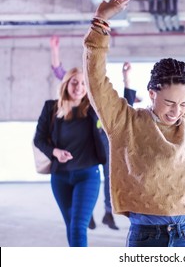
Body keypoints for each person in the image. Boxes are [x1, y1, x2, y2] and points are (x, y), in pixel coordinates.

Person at [83, 0, 185, 247]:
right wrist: (100, 24)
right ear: (152, 94)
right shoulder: (125, 122)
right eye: (169, 102)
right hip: (145, 235)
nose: (176, 111)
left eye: (183, 103)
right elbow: (96, 81)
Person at [49, 36, 138, 230]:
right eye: (78, 84)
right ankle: (86, 213)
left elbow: (126, 105)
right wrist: (55, 50)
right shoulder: (80, 95)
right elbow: (60, 73)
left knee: (109, 179)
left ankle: (108, 212)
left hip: (105, 144)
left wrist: (127, 78)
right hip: (88, 146)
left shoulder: (98, 96)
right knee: (88, 181)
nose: (81, 87)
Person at [33, 67, 106, 246]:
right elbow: (39, 139)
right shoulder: (51, 108)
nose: (79, 87)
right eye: (74, 82)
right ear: (66, 84)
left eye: (83, 83)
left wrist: (126, 80)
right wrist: (55, 152)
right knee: (70, 225)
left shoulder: (93, 110)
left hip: (88, 176)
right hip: (60, 177)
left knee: (78, 227)